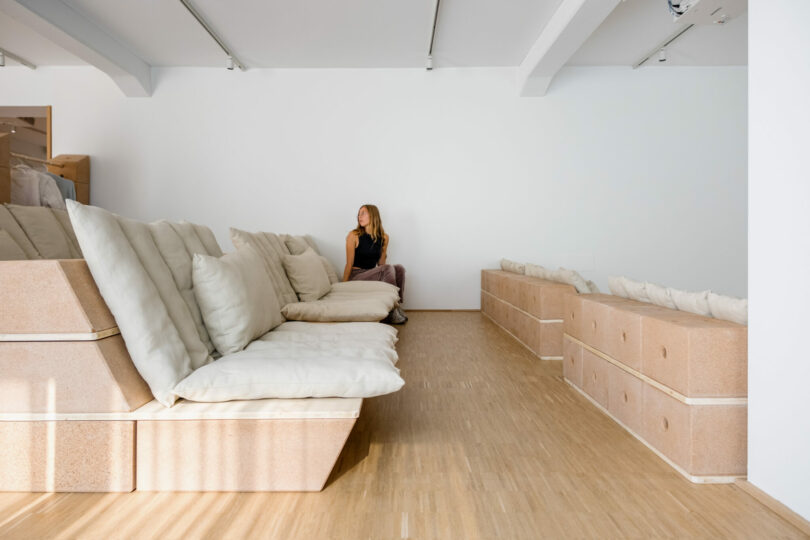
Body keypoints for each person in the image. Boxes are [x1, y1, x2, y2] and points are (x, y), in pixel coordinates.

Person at [343, 204, 407, 324]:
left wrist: (384, 255)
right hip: (356, 275)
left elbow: (381, 264)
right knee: (388, 268)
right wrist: (342, 287)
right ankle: (392, 309)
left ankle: (396, 305)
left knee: (399, 268)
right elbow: (348, 264)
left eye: (363, 213)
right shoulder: (354, 235)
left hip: (371, 273)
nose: (359, 216)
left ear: (373, 215)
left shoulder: (384, 237)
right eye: (358, 214)